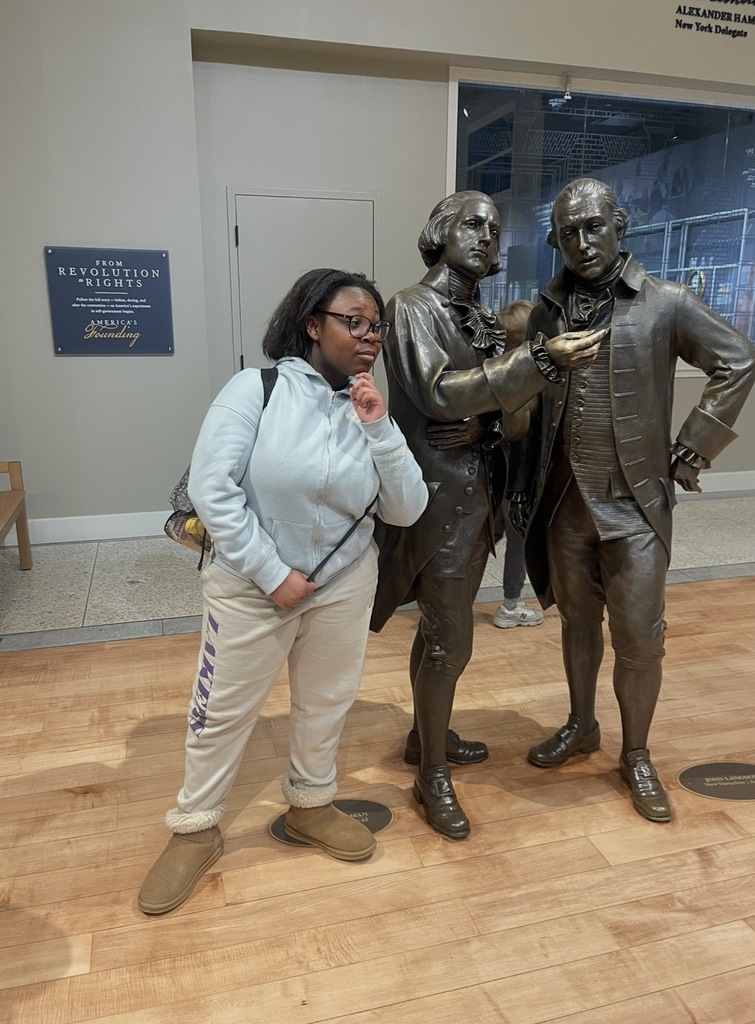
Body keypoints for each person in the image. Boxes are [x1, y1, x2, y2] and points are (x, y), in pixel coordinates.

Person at [138, 269, 429, 914]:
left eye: (375, 325)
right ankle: (195, 827)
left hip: (345, 580)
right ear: (312, 324)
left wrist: (380, 428)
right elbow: (215, 492)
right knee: (221, 711)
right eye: (352, 321)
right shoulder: (256, 389)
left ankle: (310, 804)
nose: (367, 336)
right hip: (250, 585)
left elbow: (407, 508)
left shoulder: (368, 406)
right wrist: (274, 575)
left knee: (327, 701)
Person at [510, 178, 755, 823]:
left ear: (620, 224)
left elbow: (738, 359)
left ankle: (637, 752)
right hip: (565, 503)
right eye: (568, 232)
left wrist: (692, 448)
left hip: (636, 506)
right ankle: (582, 724)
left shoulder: (665, 303)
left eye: (593, 227)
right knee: (575, 623)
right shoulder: (544, 311)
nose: (582, 242)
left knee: (641, 639)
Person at [370, 191, 606, 840]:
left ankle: (427, 739)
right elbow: (439, 394)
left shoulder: (477, 313)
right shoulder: (412, 307)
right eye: (471, 224)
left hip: (478, 497)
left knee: (439, 634)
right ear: (439, 232)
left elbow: (503, 415)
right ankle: (431, 776)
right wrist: (531, 363)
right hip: (436, 502)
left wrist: (485, 425)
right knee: (452, 640)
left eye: (493, 229)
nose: (485, 236)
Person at [492, 299, 544, 630]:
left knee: (490, 534)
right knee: (517, 540)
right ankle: (510, 605)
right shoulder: (529, 381)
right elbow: (525, 440)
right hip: (519, 479)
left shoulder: (495, 372)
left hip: (497, 475)